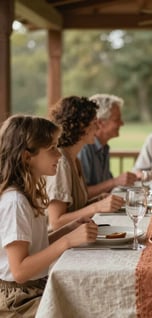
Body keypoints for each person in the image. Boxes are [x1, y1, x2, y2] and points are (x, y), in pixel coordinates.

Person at [0, 115, 98, 317]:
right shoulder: (15, 202)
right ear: (27, 157)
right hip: (17, 299)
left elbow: (35, 247)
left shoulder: (27, 195)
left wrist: (67, 230)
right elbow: (19, 271)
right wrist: (68, 241)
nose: (59, 155)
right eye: (52, 148)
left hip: (32, 288)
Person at [46, 96, 124, 230]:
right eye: (95, 123)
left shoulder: (74, 159)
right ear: (81, 127)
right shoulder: (61, 162)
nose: (98, 127)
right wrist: (97, 207)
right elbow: (56, 222)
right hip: (59, 246)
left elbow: (73, 208)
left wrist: (97, 200)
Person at [78, 94, 137, 198]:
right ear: (100, 123)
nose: (122, 123)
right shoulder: (84, 148)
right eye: (117, 119)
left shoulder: (104, 147)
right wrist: (115, 181)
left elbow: (107, 187)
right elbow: (81, 193)